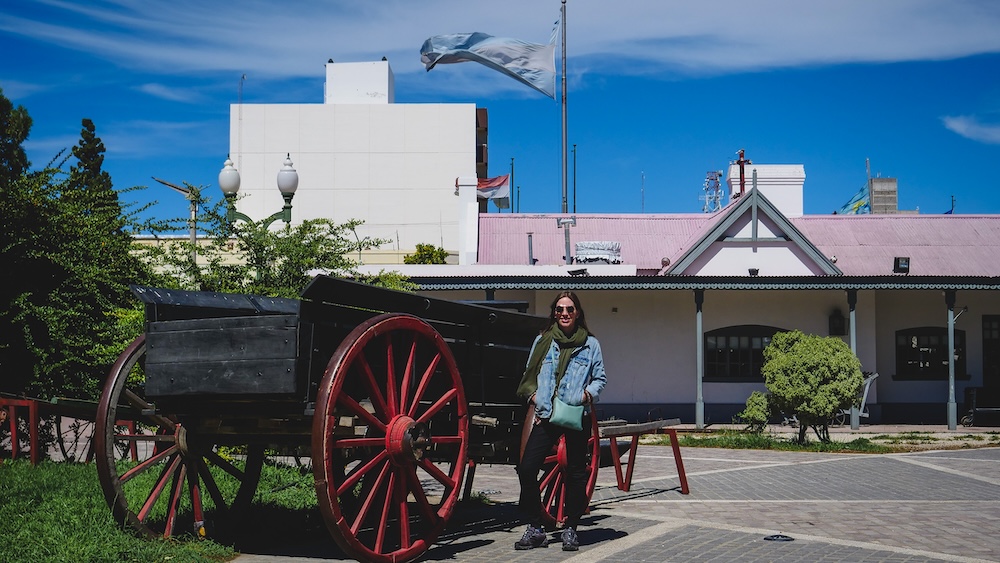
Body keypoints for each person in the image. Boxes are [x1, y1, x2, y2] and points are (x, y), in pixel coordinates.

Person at [514, 291, 607, 551]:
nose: (564, 314)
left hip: (576, 415)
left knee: (576, 474)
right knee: (527, 468)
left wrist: (586, 395)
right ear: (554, 313)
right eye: (559, 310)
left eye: (569, 309)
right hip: (546, 416)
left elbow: (600, 378)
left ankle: (570, 529)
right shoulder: (543, 341)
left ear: (577, 313)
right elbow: (529, 372)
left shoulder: (590, 344)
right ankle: (536, 527)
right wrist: (534, 397)